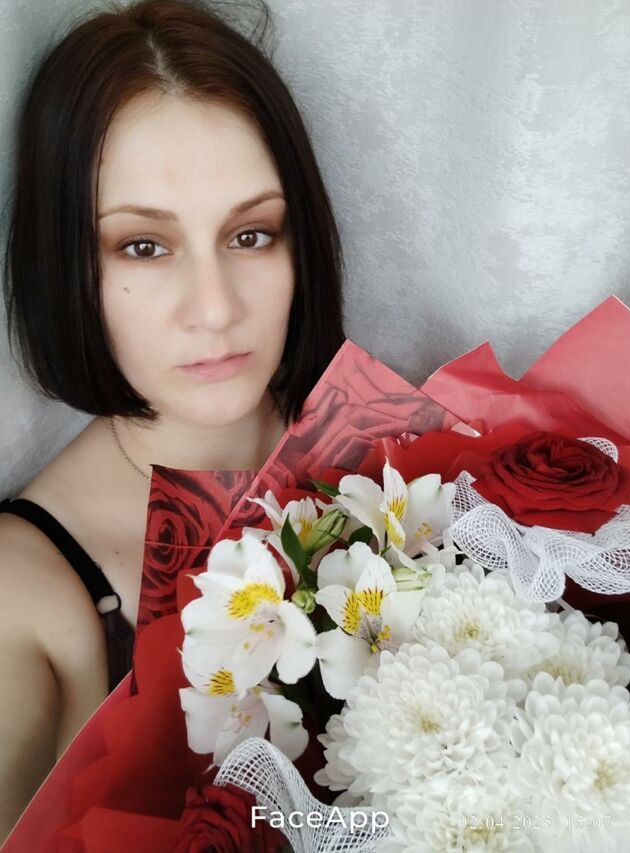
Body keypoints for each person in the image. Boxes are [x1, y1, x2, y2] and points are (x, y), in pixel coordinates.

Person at [0, 0, 345, 840]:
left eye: (252, 234)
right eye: (144, 246)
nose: (216, 308)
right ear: (66, 267)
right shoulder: (23, 597)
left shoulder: (419, 467)